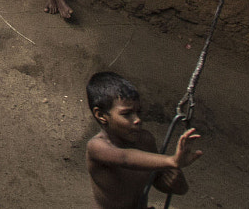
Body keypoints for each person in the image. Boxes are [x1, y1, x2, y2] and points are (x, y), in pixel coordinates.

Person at [84, 70, 201, 209]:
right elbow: (125, 157)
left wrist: (176, 180)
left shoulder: (145, 140)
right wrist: (171, 161)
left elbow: (164, 183)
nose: (137, 120)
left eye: (138, 112)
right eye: (127, 114)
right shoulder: (97, 147)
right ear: (101, 115)